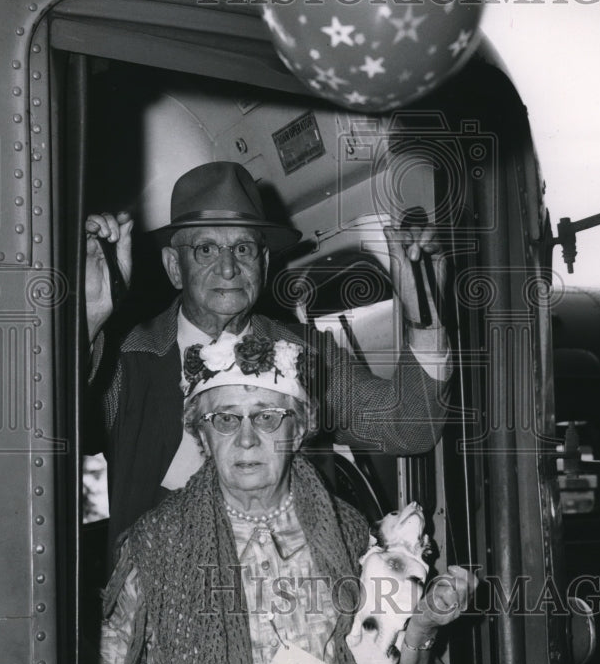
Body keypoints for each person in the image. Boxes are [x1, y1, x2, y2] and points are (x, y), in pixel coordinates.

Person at [99, 333, 475, 664]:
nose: (245, 439)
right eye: (225, 419)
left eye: (267, 417)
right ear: (203, 435)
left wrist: (423, 626)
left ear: (297, 431)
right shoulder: (160, 546)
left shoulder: (349, 537)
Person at [86, 161, 452, 556]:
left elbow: (409, 427)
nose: (228, 267)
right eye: (206, 249)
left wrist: (424, 315)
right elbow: (62, 433)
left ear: (262, 264)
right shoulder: (128, 359)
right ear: (175, 267)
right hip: (155, 589)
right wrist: (88, 319)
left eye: (243, 248)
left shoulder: (308, 354)